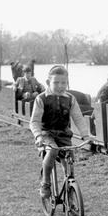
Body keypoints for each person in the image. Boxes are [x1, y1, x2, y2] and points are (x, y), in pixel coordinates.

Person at [30, 65, 92, 198]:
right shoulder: (41, 98)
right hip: (47, 134)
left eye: (63, 83)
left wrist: (85, 135)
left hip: (64, 133)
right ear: (48, 83)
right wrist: (38, 136)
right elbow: (34, 121)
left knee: (69, 160)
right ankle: (45, 182)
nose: (60, 86)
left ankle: (69, 188)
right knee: (53, 150)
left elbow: (78, 118)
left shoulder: (70, 99)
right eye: (56, 82)